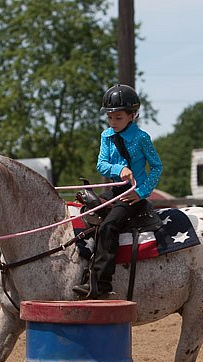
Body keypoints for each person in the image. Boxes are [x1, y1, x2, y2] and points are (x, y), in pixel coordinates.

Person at [73, 84, 163, 299]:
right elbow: (101, 164)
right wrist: (119, 168)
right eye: (110, 117)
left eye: (119, 117)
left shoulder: (142, 138)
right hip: (114, 191)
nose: (113, 122)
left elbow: (157, 167)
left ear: (132, 116)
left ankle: (100, 285)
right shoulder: (106, 136)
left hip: (133, 195)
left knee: (109, 226)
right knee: (86, 216)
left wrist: (141, 192)